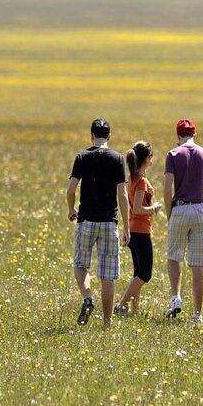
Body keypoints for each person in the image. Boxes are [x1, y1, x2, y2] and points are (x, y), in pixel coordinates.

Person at [67, 118, 130, 329]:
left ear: (91, 135)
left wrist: (71, 209)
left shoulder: (82, 157)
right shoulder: (118, 159)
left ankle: (87, 297)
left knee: (80, 265)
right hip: (108, 222)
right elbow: (122, 194)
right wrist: (126, 227)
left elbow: (70, 190)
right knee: (107, 276)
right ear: (109, 136)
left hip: (86, 220)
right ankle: (107, 324)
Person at [164, 118, 203, 324]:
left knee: (174, 256)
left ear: (178, 136)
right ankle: (198, 314)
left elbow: (168, 189)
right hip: (199, 208)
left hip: (179, 207)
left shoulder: (173, 154)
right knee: (197, 264)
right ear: (194, 135)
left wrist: (170, 214)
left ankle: (176, 297)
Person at [114, 141, 162, 316]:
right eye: (151, 156)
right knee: (145, 274)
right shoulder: (141, 181)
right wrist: (155, 208)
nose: (152, 160)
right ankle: (121, 305)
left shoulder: (131, 179)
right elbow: (137, 208)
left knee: (137, 273)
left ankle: (135, 311)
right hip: (141, 231)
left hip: (133, 229)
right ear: (146, 159)